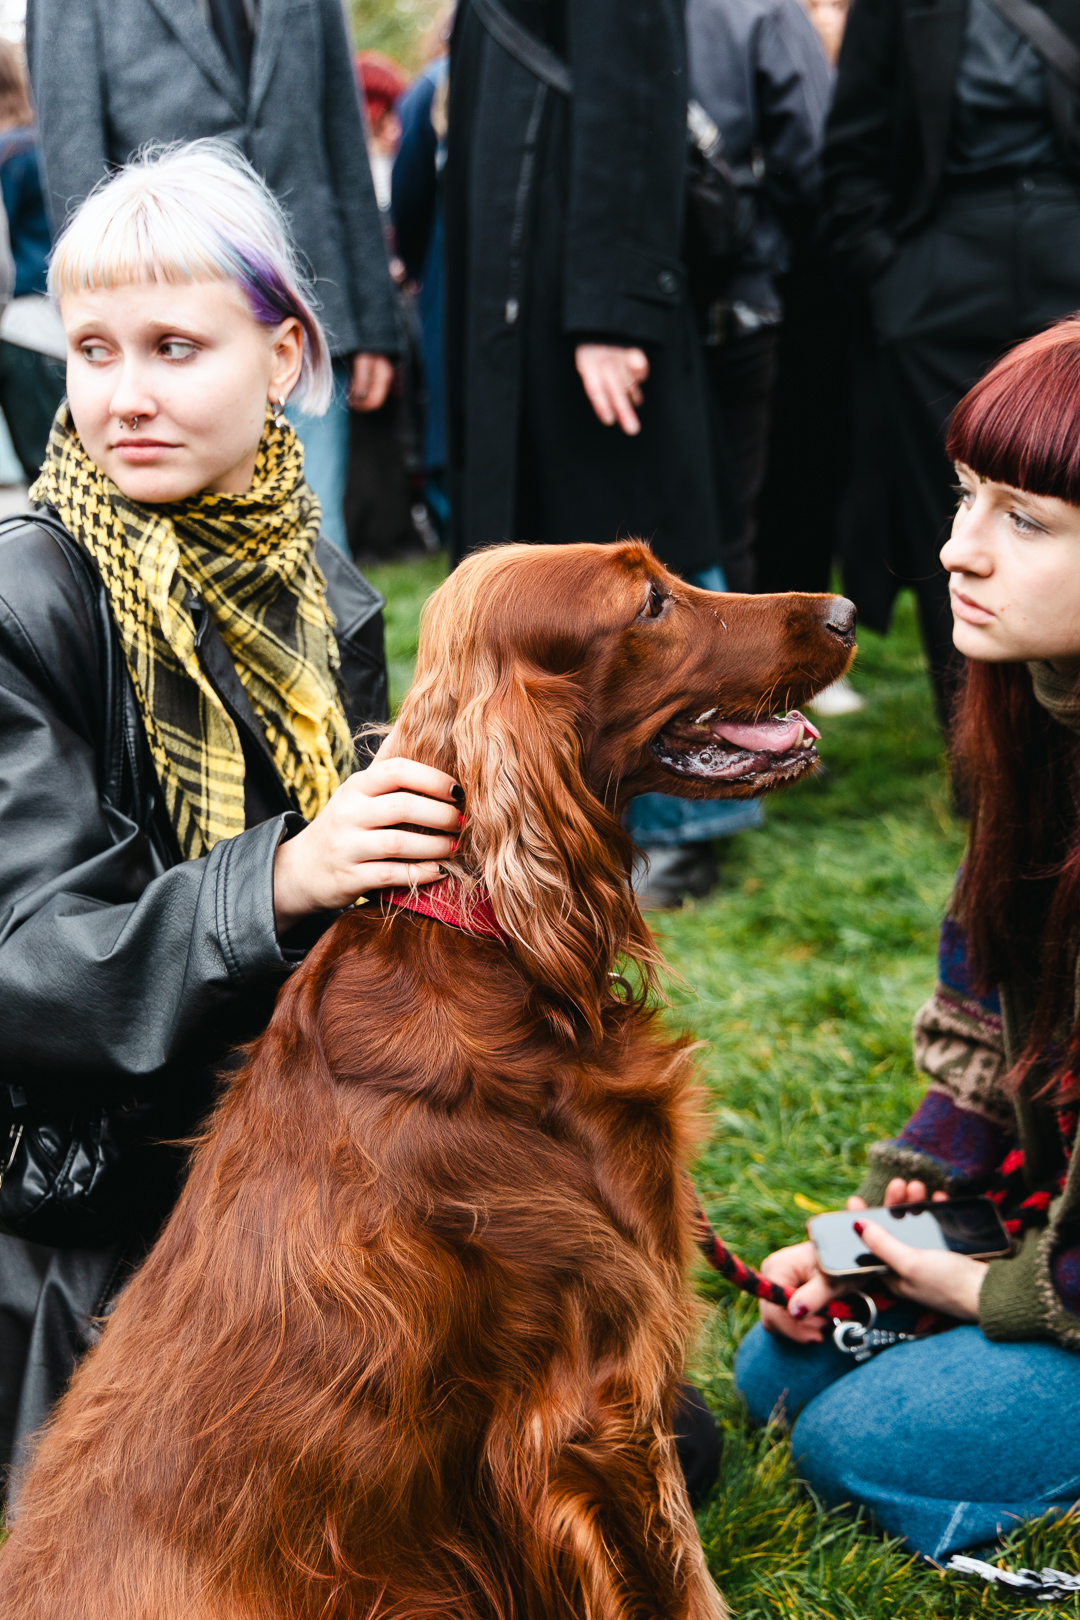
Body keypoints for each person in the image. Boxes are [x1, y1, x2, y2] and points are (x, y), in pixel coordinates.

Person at [0, 140, 462, 1496]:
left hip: (304, 1147)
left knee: (633, 1437)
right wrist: (284, 881)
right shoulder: (28, 603)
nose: (126, 396)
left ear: (283, 357)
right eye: (94, 350)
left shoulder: (313, 580)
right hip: (96, 1200)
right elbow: (29, 970)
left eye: (175, 348)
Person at [734, 321, 1080, 1559]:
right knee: (780, 1371)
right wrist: (903, 1220)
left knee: (859, 1446)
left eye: (1024, 519)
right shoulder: (1038, 719)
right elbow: (990, 1025)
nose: (957, 549)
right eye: (966, 496)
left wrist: (979, 1288)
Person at [24, 0, 400, 552]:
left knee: (315, 537)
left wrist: (374, 320)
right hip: (162, 314)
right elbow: (72, 159)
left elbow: (343, 139)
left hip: (312, 303)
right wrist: (99, 331)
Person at [821, 0, 1080, 727]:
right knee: (956, 518)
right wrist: (892, 281)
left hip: (1068, 244)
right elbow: (853, 149)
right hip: (940, 270)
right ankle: (980, 755)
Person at [0, 40, 63, 481]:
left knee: (44, 475)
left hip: (22, 327)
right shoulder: (46, 142)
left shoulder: (5, 154)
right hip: (63, 318)